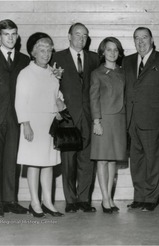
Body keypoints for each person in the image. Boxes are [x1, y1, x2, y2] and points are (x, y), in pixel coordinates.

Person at [51, 23, 100, 213]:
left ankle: (84, 200)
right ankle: (70, 201)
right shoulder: (57, 57)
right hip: (67, 117)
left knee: (87, 161)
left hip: (88, 117)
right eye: (77, 34)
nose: (81, 38)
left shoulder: (94, 58)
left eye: (85, 35)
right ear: (69, 36)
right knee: (68, 160)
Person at [123, 27, 159, 212]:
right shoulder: (127, 61)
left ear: (152, 39)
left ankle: (151, 198)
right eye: (137, 38)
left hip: (154, 120)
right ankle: (139, 197)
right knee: (137, 162)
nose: (141, 42)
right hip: (132, 120)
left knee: (154, 161)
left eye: (144, 37)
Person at [15, 32, 64, 217]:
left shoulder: (53, 73)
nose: (46, 54)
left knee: (49, 164)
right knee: (34, 164)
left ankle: (48, 202)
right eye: (41, 50)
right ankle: (34, 202)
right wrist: (25, 124)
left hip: (50, 124)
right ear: (33, 53)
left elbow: (57, 96)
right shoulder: (26, 73)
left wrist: (60, 106)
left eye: (49, 50)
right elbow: (20, 101)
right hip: (33, 123)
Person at [0, 19, 30, 217]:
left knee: (12, 159)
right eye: (6, 34)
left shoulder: (24, 59)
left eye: (14, 34)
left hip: (16, 116)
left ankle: (10, 199)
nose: (11, 38)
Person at [89, 37, 127, 214]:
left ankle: (110, 198)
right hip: (103, 121)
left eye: (115, 50)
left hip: (119, 120)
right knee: (102, 160)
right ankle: (105, 199)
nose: (112, 53)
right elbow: (93, 98)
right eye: (109, 49)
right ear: (102, 52)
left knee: (113, 160)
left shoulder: (123, 72)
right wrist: (96, 121)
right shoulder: (97, 73)